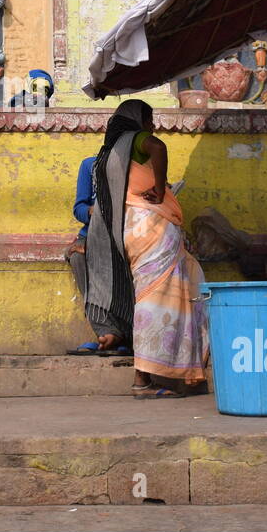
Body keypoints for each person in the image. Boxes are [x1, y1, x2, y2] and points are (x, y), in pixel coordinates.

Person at [85, 99, 208, 398]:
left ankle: (169, 373)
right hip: (151, 227)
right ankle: (145, 377)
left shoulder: (108, 153)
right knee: (158, 299)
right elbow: (159, 147)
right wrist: (160, 183)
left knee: (177, 287)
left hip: (132, 229)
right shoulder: (134, 138)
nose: (151, 126)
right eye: (148, 119)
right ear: (136, 120)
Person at [64, 154, 130, 356]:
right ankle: (106, 330)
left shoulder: (136, 166)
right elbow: (79, 208)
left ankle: (127, 333)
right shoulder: (89, 165)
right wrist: (94, 212)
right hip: (91, 236)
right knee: (77, 257)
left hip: (125, 237)